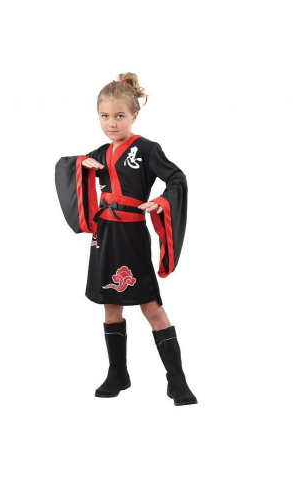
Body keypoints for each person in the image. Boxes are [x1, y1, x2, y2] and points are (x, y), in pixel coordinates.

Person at [55, 73, 197, 406]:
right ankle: (117, 373)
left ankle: (176, 380)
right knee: (111, 302)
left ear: (134, 115)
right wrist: (81, 164)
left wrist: (161, 202)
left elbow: (176, 178)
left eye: (119, 115)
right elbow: (66, 168)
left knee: (151, 305)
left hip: (132, 233)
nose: (111, 123)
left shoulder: (147, 149)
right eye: (104, 115)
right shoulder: (100, 152)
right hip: (105, 234)